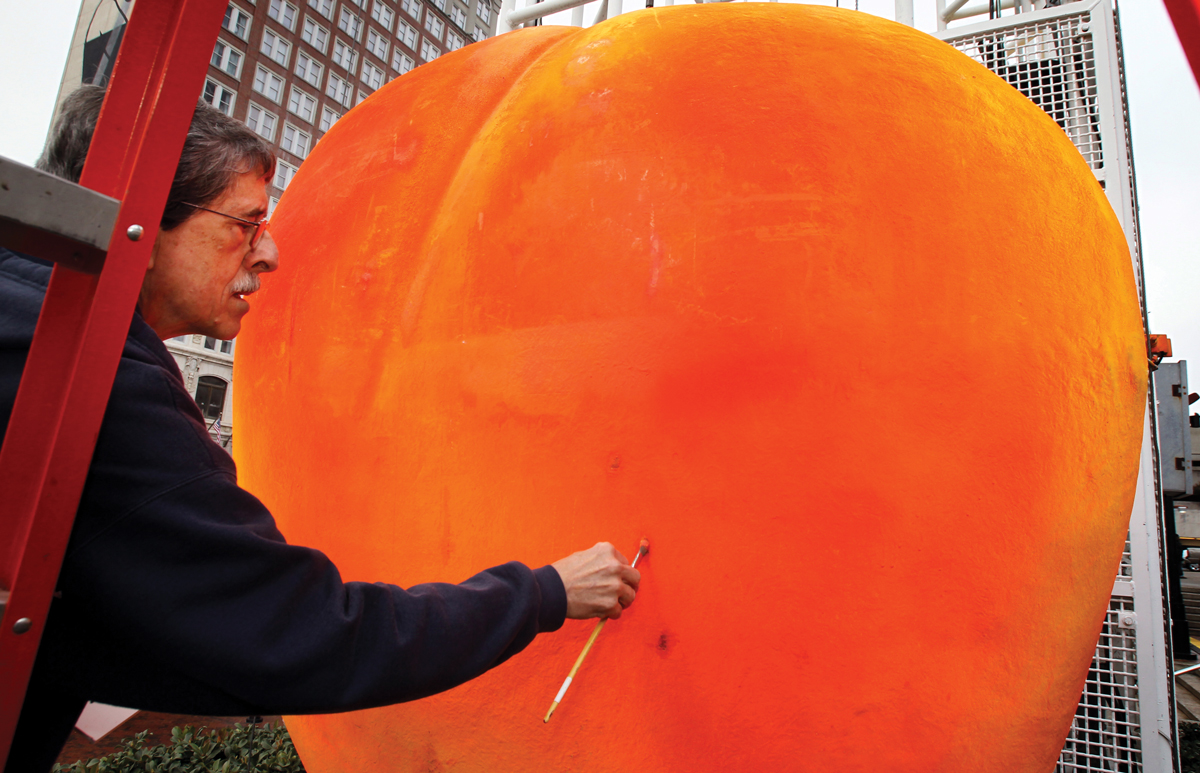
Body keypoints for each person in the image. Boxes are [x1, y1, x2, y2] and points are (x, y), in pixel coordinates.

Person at [0, 86, 640, 772]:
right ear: (141, 222)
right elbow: (295, 635)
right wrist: (544, 591)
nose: (269, 252)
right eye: (246, 224)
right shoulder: (103, 387)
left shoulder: (36, 324)